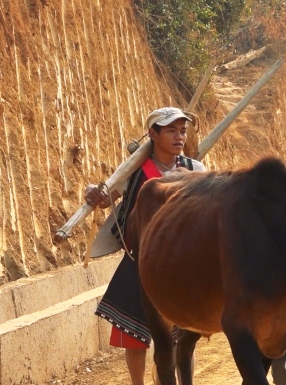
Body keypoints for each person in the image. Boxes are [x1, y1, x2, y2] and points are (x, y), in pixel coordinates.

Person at [85, 107, 205, 385]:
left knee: (183, 334)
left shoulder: (194, 170)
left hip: (181, 265)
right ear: (153, 134)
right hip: (140, 259)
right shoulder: (133, 173)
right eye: (171, 130)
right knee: (134, 336)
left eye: (182, 131)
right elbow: (104, 198)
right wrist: (91, 191)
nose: (179, 137)